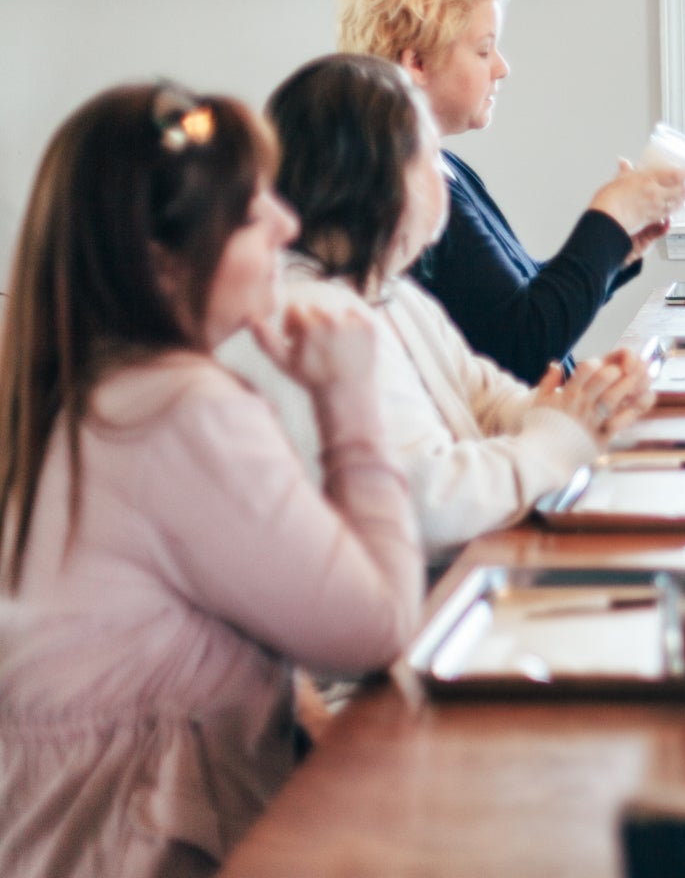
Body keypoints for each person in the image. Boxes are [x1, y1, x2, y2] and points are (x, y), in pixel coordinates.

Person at [0, 84, 422, 876]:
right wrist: (349, 399)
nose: (288, 223)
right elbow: (383, 624)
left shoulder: (76, 396)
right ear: (162, 259)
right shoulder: (178, 415)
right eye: (252, 209)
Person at [217, 55, 656, 563]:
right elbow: (431, 506)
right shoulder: (312, 318)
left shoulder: (391, 293)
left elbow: (487, 400)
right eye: (429, 160)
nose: (442, 178)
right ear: (381, 182)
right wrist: (559, 440)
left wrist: (585, 403)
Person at [337, 0, 685, 383]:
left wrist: (616, 250)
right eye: (484, 50)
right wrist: (610, 217)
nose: (502, 67)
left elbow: (514, 302)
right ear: (416, 63)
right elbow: (522, 344)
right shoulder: (402, 188)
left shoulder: (443, 166)